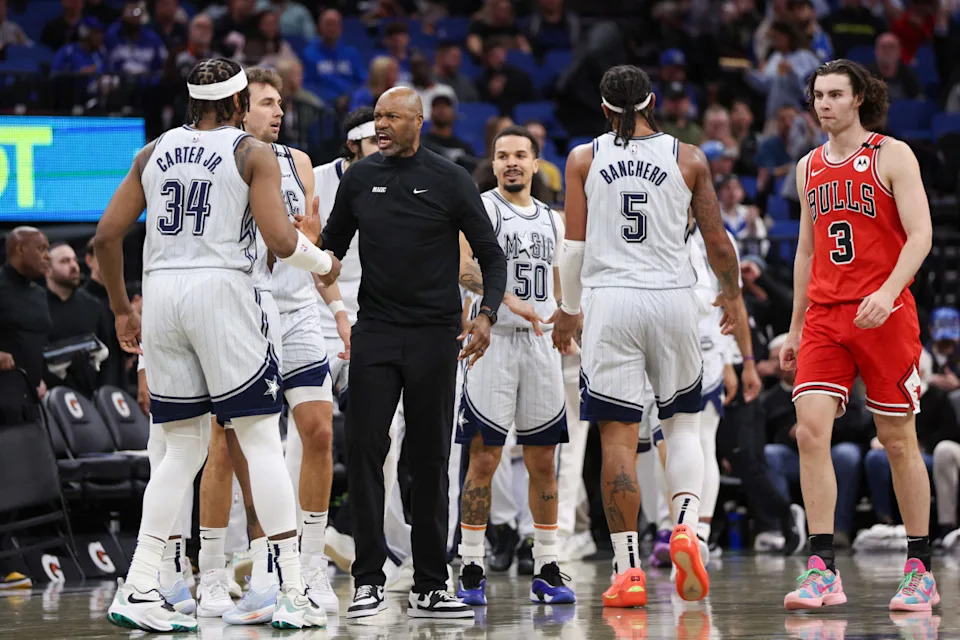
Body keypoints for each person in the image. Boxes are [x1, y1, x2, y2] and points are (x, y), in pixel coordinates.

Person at [99, 57, 338, 632]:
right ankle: (289, 591)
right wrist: (325, 262)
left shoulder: (151, 152)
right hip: (224, 290)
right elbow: (282, 242)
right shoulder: (250, 153)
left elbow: (106, 237)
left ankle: (139, 587)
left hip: (160, 294)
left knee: (180, 450)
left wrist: (120, 309)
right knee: (259, 440)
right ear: (236, 104)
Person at [553, 64, 744, 606]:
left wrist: (568, 310)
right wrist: (730, 296)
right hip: (673, 298)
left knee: (617, 440)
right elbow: (718, 244)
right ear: (652, 101)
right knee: (683, 427)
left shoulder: (583, 158)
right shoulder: (689, 158)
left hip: (610, 302)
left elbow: (573, 248)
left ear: (605, 107)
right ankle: (685, 524)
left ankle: (628, 571)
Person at [320, 86, 507, 619]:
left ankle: (429, 584)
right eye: (377, 116)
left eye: (392, 117)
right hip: (374, 332)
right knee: (363, 450)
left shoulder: (450, 180)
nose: (380, 125)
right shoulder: (358, 179)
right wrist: (308, 254)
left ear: (418, 122)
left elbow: (493, 259)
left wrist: (487, 315)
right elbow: (331, 250)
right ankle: (367, 581)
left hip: (435, 336)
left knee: (429, 461)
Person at [780, 59, 936, 611]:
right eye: (817, 95)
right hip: (826, 313)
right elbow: (805, 251)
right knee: (809, 432)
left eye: (834, 95)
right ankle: (822, 568)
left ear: (859, 99)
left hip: (884, 310)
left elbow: (920, 235)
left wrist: (889, 291)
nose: (823, 104)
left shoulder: (892, 154)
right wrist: (795, 327)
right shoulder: (807, 166)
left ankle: (920, 569)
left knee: (898, 441)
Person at [192, 67, 343, 624]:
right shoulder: (226, 158)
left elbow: (309, 236)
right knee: (227, 442)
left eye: (281, 103)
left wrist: (314, 244)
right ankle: (220, 568)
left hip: (298, 305)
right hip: (246, 302)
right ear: (239, 108)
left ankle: (308, 561)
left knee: (319, 431)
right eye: (266, 102)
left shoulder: (299, 162)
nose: (278, 111)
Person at [453, 125, 575, 607]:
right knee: (484, 459)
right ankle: (471, 564)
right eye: (502, 155)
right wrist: (508, 298)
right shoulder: (480, 208)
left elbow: (566, 285)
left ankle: (546, 562)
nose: (511, 163)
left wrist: (572, 314)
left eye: (520, 155)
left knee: (544, 462)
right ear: (493, 161)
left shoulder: (554, 219)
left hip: (541, 346)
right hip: (493, 341)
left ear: (536, 161)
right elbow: (464, 267)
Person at [44, 243, 112, 396]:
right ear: (47, 269)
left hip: (90, 398)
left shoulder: (93, 305)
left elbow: (108, 355)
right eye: (65, 261)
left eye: (74, 260)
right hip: (48, 397)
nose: (74, 266)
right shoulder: (37, 307)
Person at [0, 228, 52, 398]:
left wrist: (40, 378)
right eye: (41, 249)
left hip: (31, 398)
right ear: (21, 249)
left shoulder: (39, 293)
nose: (48, 256)